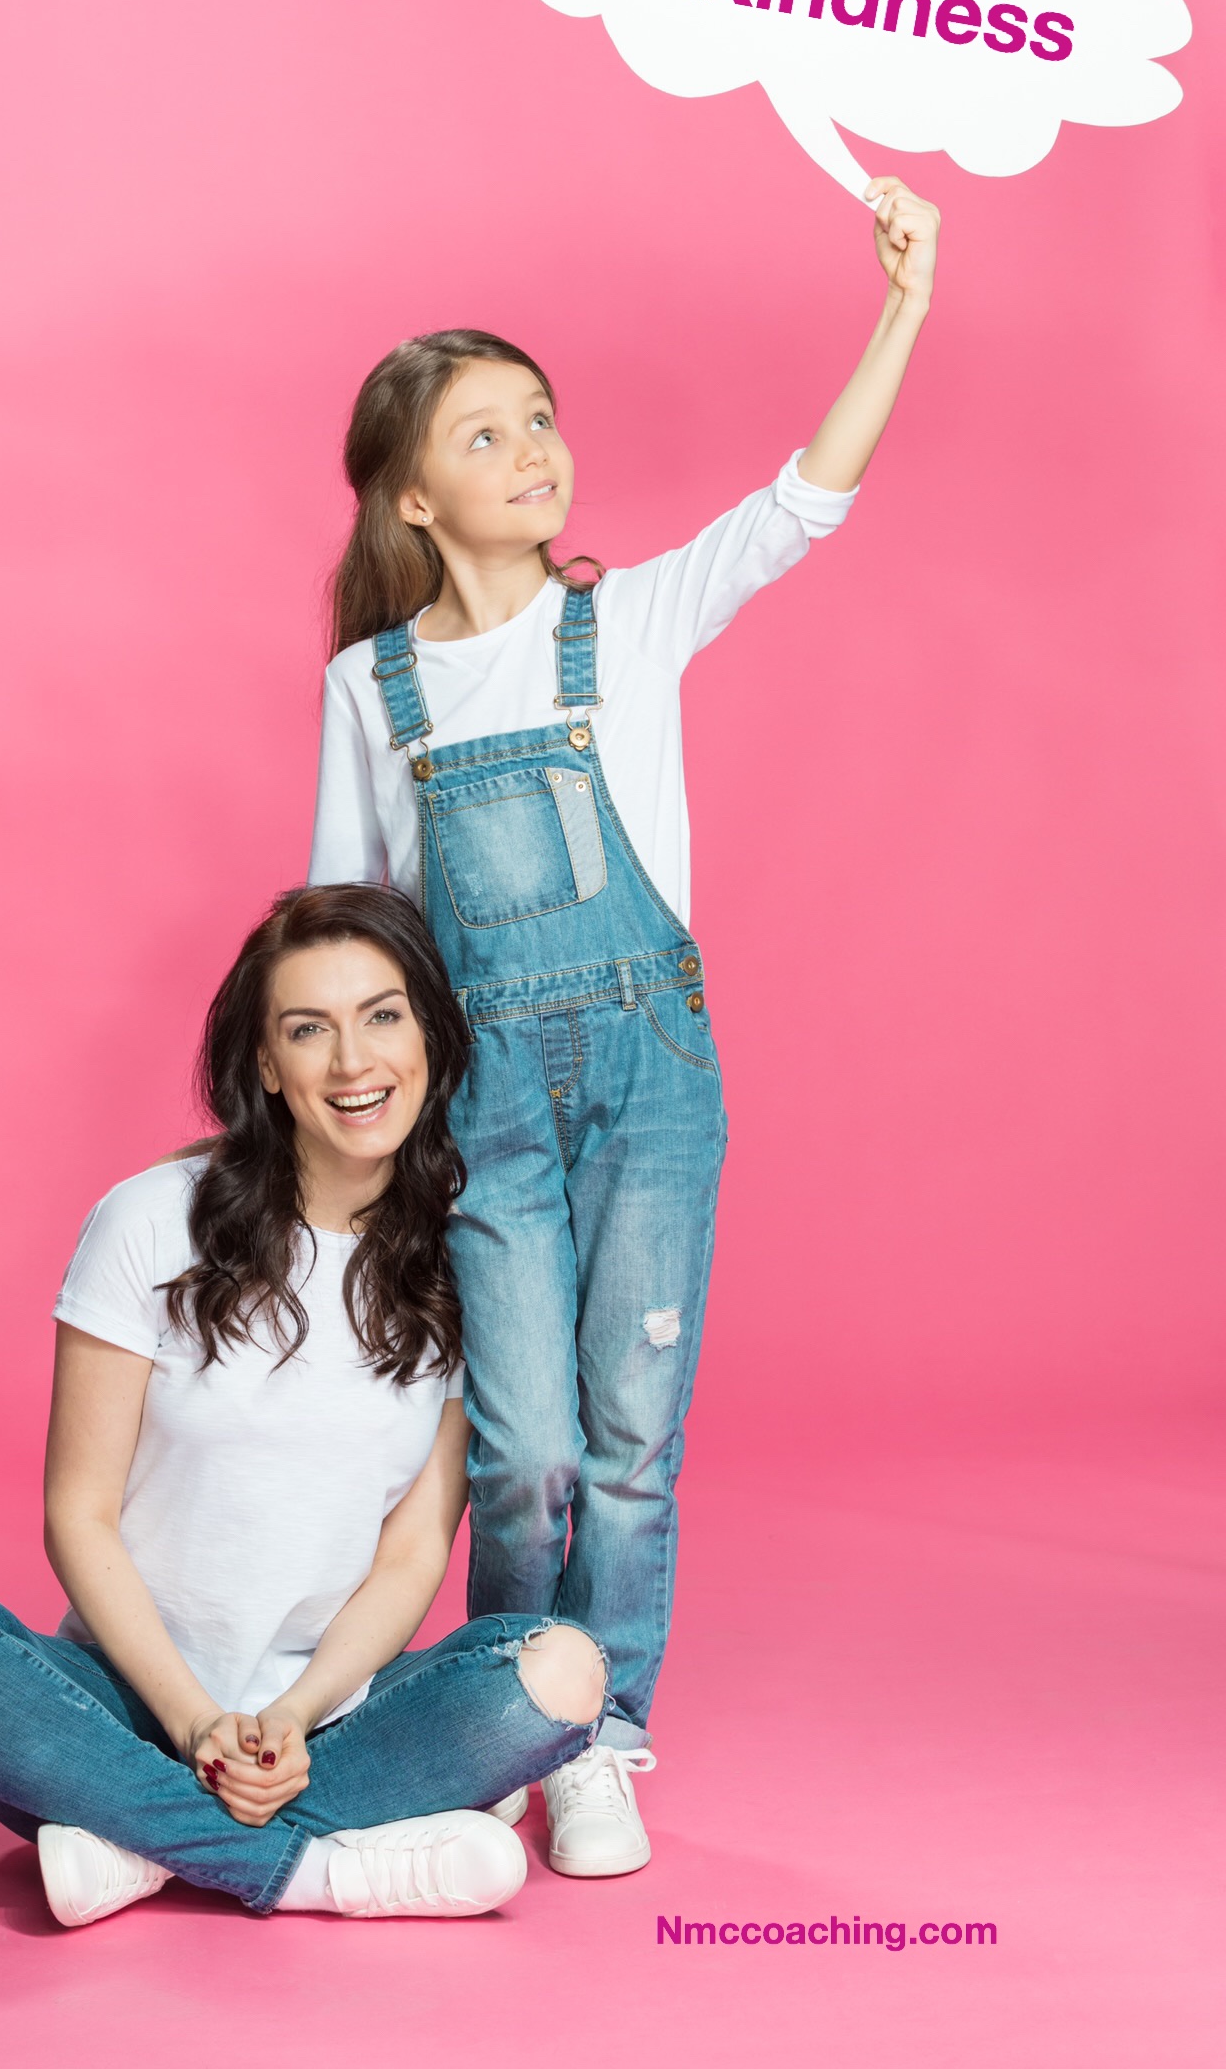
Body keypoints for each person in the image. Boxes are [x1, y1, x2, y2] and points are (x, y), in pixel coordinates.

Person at [307, 178, 941, 1875]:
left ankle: (599, 1732)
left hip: (654, 1083)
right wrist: (335, 1134)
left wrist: (900, 304)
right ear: (413, 495)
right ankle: (505, 1714)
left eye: (542, 420)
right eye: (486, 432)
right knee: (519, 1455)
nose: (533, 450)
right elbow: (348, 927)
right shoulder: (373, 689)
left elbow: (805, 501)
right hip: (485, 1099)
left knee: (632, 1440)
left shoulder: (635, 617)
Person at [0, 885, 609, 1925]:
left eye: (383, 1016)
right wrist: (197, 1719)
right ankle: (315, 1872)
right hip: (125, 1702)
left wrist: (294, 1712)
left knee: (565, 1673)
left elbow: (411, 1557)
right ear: (266, 1065)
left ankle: (143, 1844)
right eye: (310, 1030)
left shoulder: (459, 1267)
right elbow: (77, 1515)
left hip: (332, 1716)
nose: (355, 1063)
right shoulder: (149, 1224)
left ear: (430, 1038)